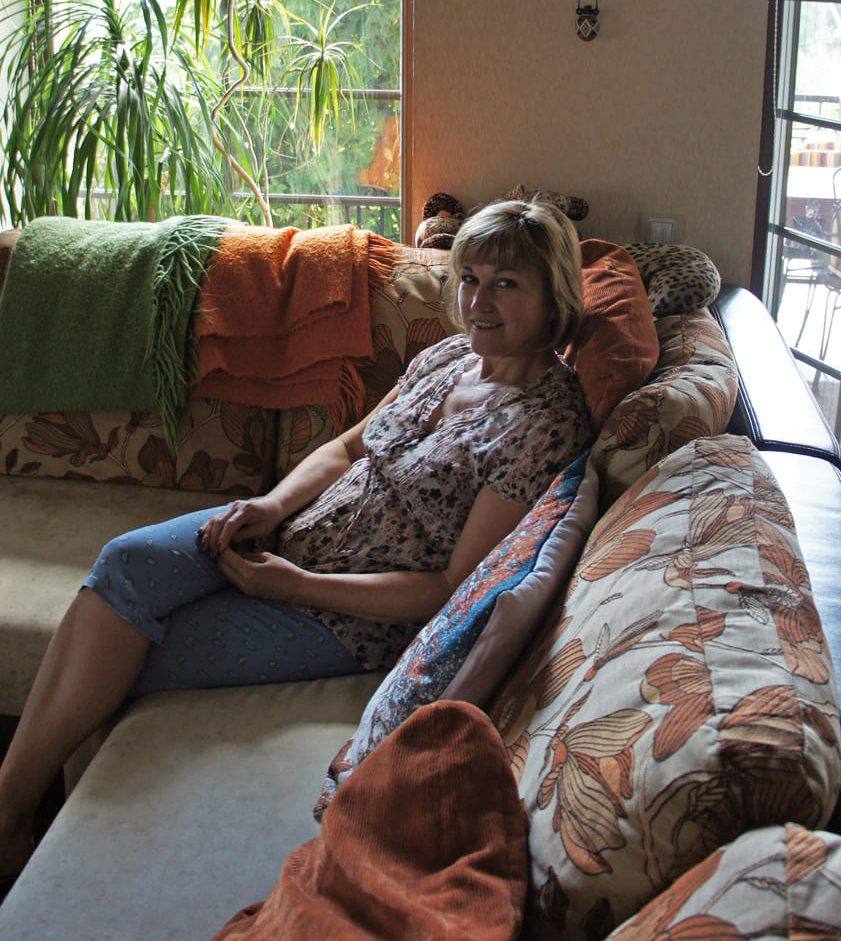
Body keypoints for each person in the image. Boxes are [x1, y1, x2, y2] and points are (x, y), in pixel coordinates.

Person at [0, 198, 593, 882]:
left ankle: (21, 825)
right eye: (469, 279)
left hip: (344, 614)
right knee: (124, 564)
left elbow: (449, 588)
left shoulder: (545, 422)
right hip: (288, 535)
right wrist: (269, 504)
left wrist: (298, 587)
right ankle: (16, 811)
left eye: (506, 284)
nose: (479, 302)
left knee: (125, 650)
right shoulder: (450, 356)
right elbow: (347, 448)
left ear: (554, 297)